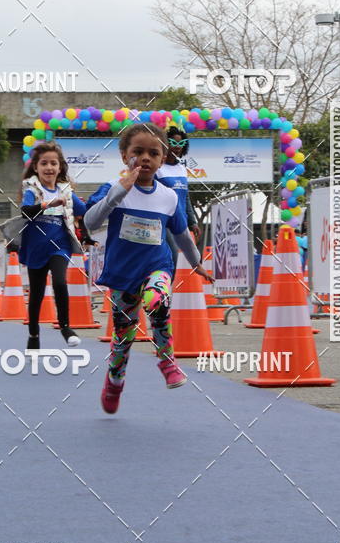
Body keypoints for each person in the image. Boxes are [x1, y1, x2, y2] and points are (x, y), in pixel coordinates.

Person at [84, 122, 213, 415]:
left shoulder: (167, 196)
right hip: (123, 274)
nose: (145, 158)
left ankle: (167, 360)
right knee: (123, 337)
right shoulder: (113, 189)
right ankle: (114, 381)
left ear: (163, 157)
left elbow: (181, 235)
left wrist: (197, 264)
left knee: (157, 300)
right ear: (124, 155)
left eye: (153, 153)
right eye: (138, 151)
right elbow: (90, 223)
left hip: (158, 266)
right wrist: (118, 191)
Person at [19, 141, 86, 350]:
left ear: (60, 167)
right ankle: (33, 335)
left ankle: (66, 327)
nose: (49, 168)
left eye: (53, 163)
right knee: (37, 294)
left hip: (60, 245)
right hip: (36, 247)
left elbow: (85, 209)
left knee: (59, 282)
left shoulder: (66, 191)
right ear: (36, 168)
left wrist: (109, 197)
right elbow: (25, 211)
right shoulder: (32, 190)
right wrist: (48, 204)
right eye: (44, 163)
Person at [154, 125, 201, 275]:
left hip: (179, 221)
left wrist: (192, 222)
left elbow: (185, 197)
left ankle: (161, 292)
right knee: (172, 257)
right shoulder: (158, 167)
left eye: (181, 144)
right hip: (162, 221)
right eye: (173, 143)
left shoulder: (181, 168)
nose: (177, 147)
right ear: (165, 144)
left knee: (176, 259)